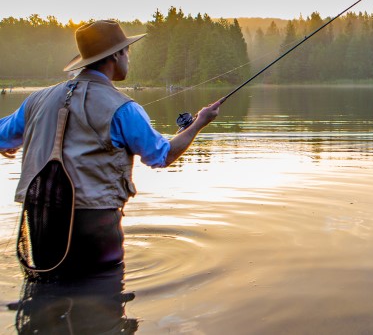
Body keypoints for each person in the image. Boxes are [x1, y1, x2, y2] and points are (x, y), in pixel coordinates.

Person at [0, 19, 220, 278]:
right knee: (103, 297)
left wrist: (8, 146)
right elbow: (163, 156)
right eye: (127, 51)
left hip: (41, 225)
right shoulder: (123, 108)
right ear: (116, 55)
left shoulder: (35, 101)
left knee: (48, 288)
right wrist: (198, 124)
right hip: (95, 230)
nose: (129, 57)